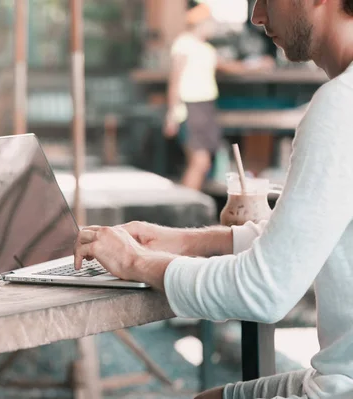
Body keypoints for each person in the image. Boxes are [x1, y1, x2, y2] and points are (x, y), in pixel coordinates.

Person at [74, 0, 353, 398]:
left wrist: (135, 262)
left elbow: (263, 289)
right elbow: (305, 240)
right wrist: (183, 241)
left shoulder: (340, 106)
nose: (257, 16)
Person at [165, 2, 274, 190]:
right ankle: (183, 208)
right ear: (202, 24)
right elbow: (174, 81)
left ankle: (188, 205)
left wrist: (257, 65)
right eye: (211, 23)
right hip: (191, 107)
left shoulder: (206, 49)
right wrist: (171, 114)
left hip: (205, 107)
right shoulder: (184, 44)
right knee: (199, 162)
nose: (213, 28)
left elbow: (231, 67)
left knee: (204, 163)